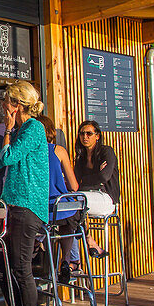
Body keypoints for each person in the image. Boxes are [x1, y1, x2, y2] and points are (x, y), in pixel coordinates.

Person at [0, 81, 49, 306]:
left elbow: (8, 156)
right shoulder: (24, 130)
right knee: (6, 267)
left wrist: (9, 130)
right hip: (14, 205)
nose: (2, 106)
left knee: (22, 269)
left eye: (6, 101)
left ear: (17, 105)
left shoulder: (33, 128)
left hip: (27, 205)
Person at [36, 116, 106, 284]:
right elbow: (74, 186)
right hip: (58, 206)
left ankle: (53, 262)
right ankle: (67, 260)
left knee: (57, 224)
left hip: (39, 209)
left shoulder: (30, 152)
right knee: (72, 218)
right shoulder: (58, 150)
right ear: (51, 132)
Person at [64, 120, 118, 270]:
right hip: (85, 198)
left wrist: (85, 182)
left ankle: (74, 257)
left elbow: (104, 177)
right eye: (82, 134)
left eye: (89, 133)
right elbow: (75, 183)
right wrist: (92, 178)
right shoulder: (80, 157)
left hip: (106, 198)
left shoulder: (106, 151)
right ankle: (84, 246)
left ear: (97, 136)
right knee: (69, 211)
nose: (85, 137)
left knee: (76, 201)